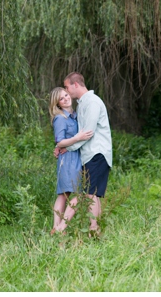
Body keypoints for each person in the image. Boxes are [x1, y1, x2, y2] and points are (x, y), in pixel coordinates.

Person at [54, 72, 113, 235]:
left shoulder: (92, 102)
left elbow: (88, 133)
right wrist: (62, 146)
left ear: (76, 85)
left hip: (98, 154)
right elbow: (77, 133)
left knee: (86, 195)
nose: (66, 91)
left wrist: (68, 147)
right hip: (88, 155)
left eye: (67, 87)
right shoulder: (81, 105)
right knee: (93, 195)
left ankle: (61, 228)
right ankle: (95, 231)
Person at [48, 87, 93, 234]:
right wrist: (77, 138)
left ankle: (56, 228)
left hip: (75, 156)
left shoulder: (74, 115)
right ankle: (60, 227)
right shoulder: (61, 118)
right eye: (61, 98)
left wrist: (71, 143)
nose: (66, 98)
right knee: (75, 194)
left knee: (66, 194)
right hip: (67, 160)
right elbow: (60, 141)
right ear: (58, 104)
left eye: (66, 95)